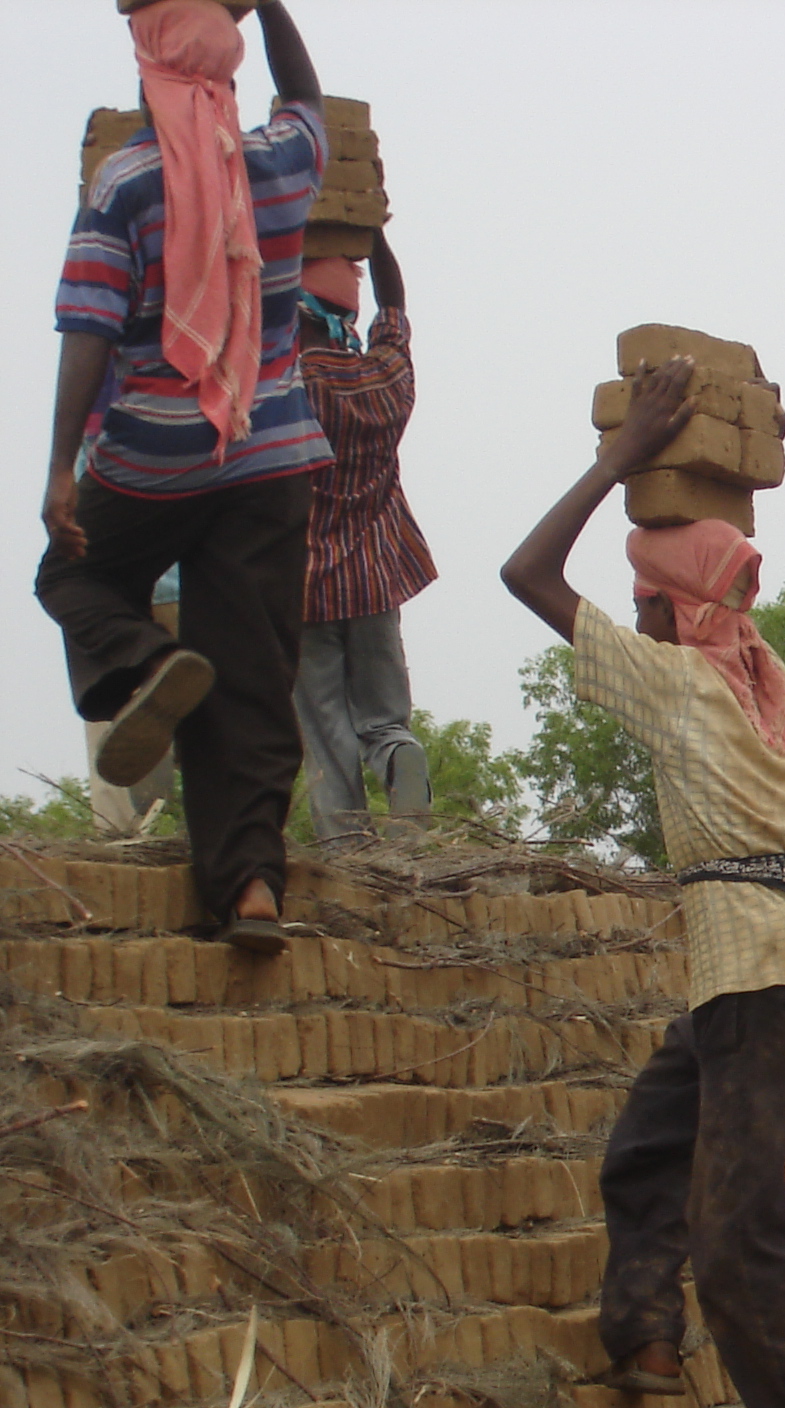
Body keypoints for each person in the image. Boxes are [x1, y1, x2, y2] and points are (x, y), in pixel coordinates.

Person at [500, 357, 785, 1408]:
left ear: (670, 606)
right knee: (649, 1143)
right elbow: (713, 564)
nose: (644, 612)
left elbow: (523, 574)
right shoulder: (767, 674)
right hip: (779, 954)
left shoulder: (677, 687)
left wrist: (621, 461)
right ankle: (643, 1335)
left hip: (751, 964)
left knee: (737, 1230)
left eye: (649, 596)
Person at [37, 0, 329, 952]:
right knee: (254, 673)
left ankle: (151, 665)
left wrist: (58, 475)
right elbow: (306, 94)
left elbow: (88, 325)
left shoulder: (125, 181)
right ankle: (250, 889)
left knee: (73, 577)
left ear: (150, 71)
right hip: (273, 453)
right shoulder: (281, 164)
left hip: (154, 456)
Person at [293, 233, 435, 842]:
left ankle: (347, 844)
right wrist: (372, 234)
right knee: (384, 714)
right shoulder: (386, 379)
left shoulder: (284, 390)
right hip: (378, 578)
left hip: (303, 587)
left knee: (324, 725)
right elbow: (395, 305)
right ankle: (400, 755)